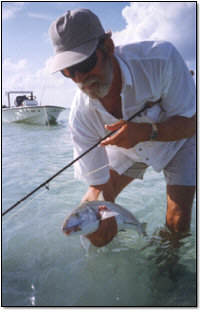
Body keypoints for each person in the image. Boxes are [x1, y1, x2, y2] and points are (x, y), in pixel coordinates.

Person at [49, 9, 196, 247]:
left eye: (85, 64)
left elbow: (192, 124)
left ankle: (168, 270)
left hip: (179, 138)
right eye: (69, 72)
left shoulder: (161, 59)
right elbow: (98, 184)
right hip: (125, 147)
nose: (79, 79)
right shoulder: (80, 116)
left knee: (178, 221)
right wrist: (96, 213)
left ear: (108, 46)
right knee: (94, 212)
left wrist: (146, 132)